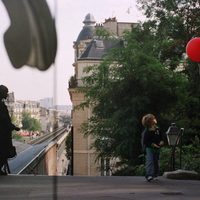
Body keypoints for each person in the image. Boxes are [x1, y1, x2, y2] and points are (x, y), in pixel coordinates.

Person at [0, 85, 20, 175]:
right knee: (3, 151)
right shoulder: (1, 105)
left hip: (4, 132)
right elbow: (4, 119)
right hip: (3, 134)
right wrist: (13, 127)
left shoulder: (2, 104)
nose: (7, 94)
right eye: (6, 92)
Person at [141, 114, 164, 182]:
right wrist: (152, 144)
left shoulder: (157, 129)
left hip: (157, 149)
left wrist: (162, 141)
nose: (155, 119)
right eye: (153, 119)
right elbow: (145, 141)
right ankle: (149, 175)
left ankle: (155, 174)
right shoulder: (147, 131)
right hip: (149, 149)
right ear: (150, 122)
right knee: (150, 161)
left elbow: (161, 136)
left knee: (156, 161)